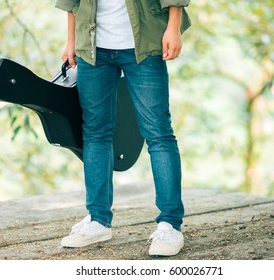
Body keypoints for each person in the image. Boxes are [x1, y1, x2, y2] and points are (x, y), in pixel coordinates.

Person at [55, 0, 191, 256]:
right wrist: (71, 39)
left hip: (144, 44)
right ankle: (97, 219)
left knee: (159, 133)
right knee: (95, 132)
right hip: (93, 47)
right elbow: (71, 2)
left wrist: (173, 27)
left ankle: (170, 224)